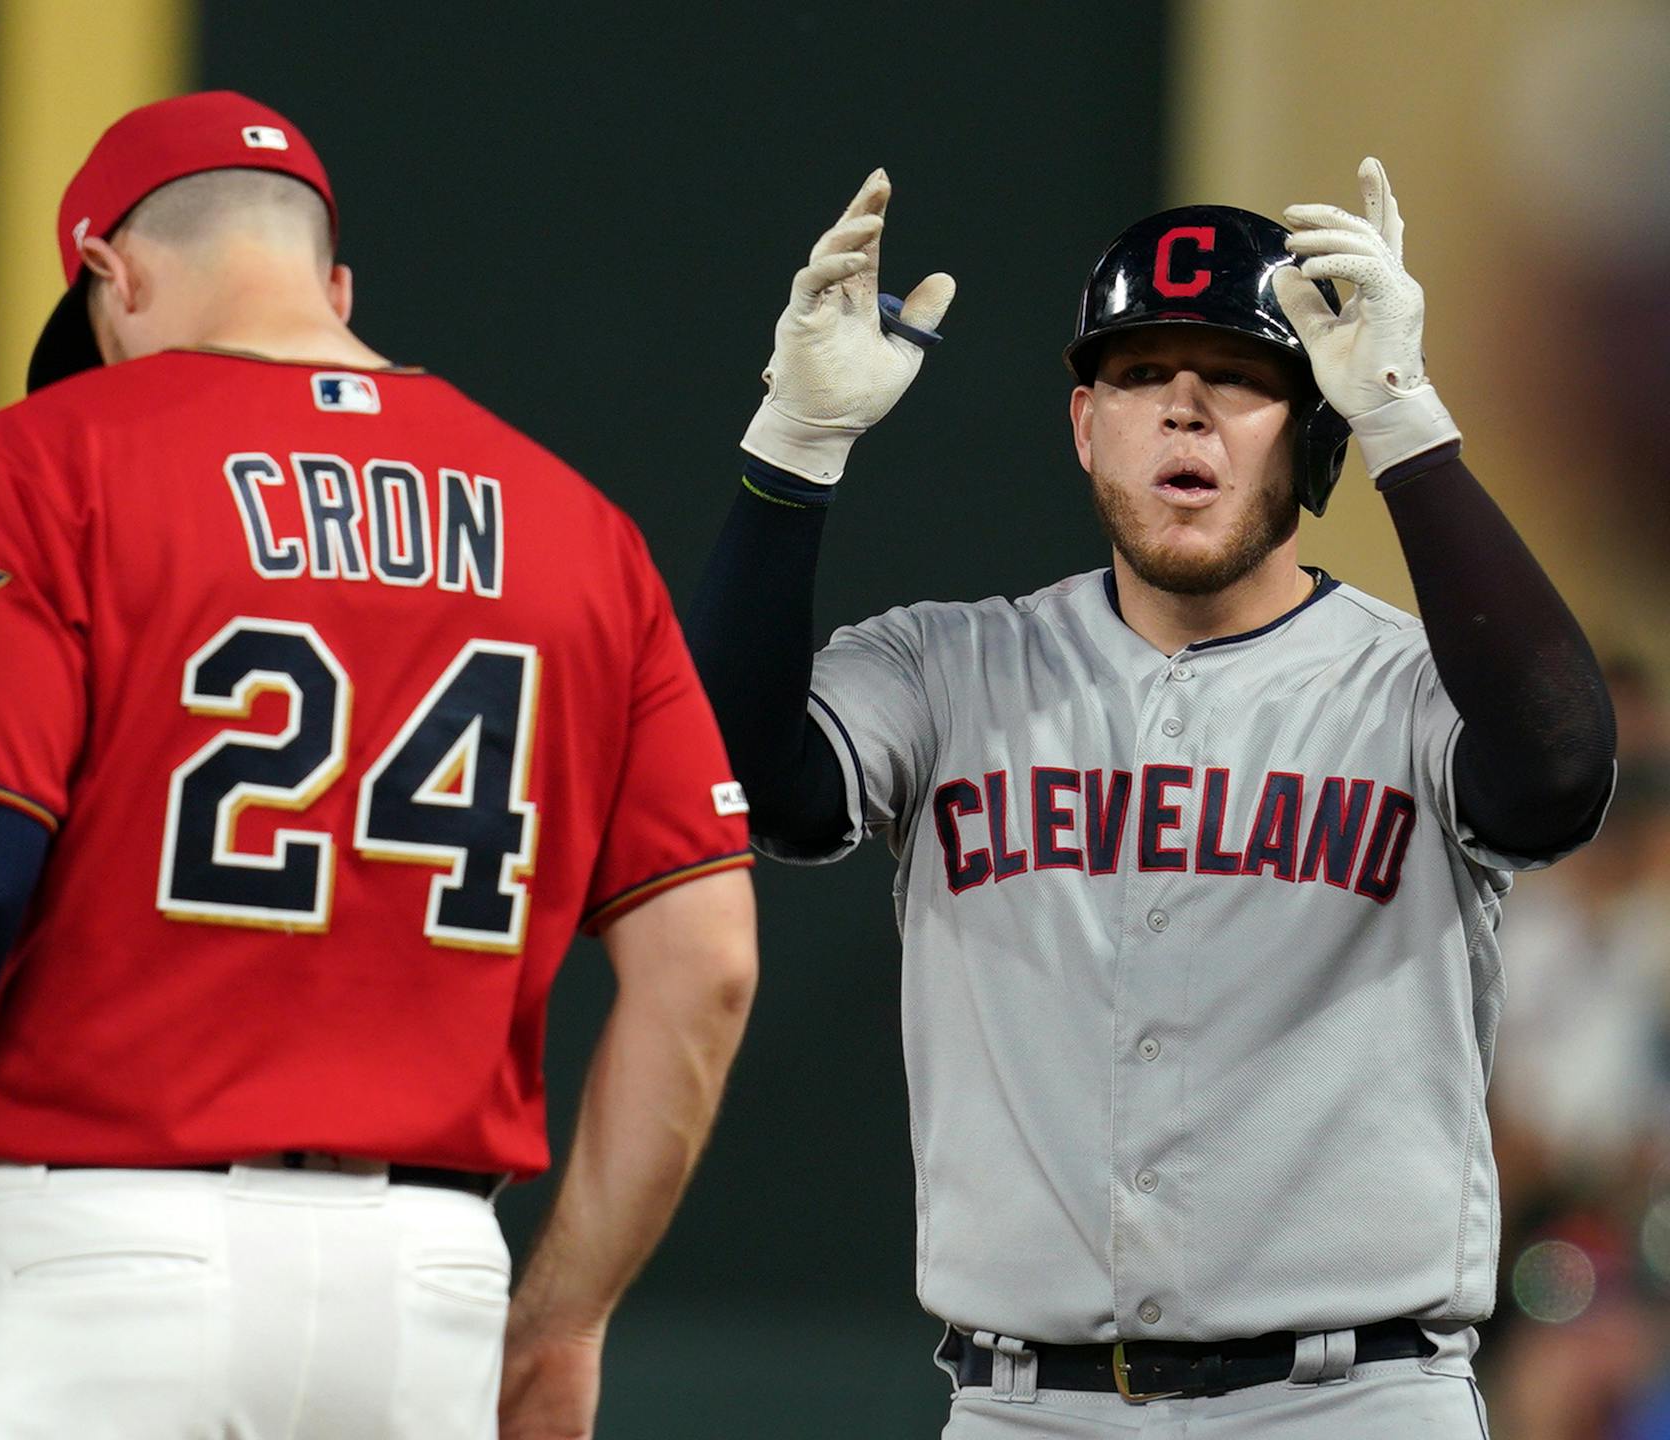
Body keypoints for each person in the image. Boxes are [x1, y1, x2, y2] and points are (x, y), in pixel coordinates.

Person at [0, 90, 758, 1440]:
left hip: (99, 1261)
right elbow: (707, 963)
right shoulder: (582, 530)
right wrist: (564, 1319)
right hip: (425, 1289)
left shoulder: (49, 455)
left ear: (110, 273)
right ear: (333, 282)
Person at [685, 161, 1617, 1436]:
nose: (1186, 409)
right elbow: (741, 782)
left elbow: (1561, 773)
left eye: (1237, 378)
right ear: (1084, 427)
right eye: (1138, 377)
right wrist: (794, 444)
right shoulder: (951, 669)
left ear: (1312, 424)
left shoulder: (1412, 686)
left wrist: (1404, 415)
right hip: (1026, 1406)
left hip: (1356, 1401)